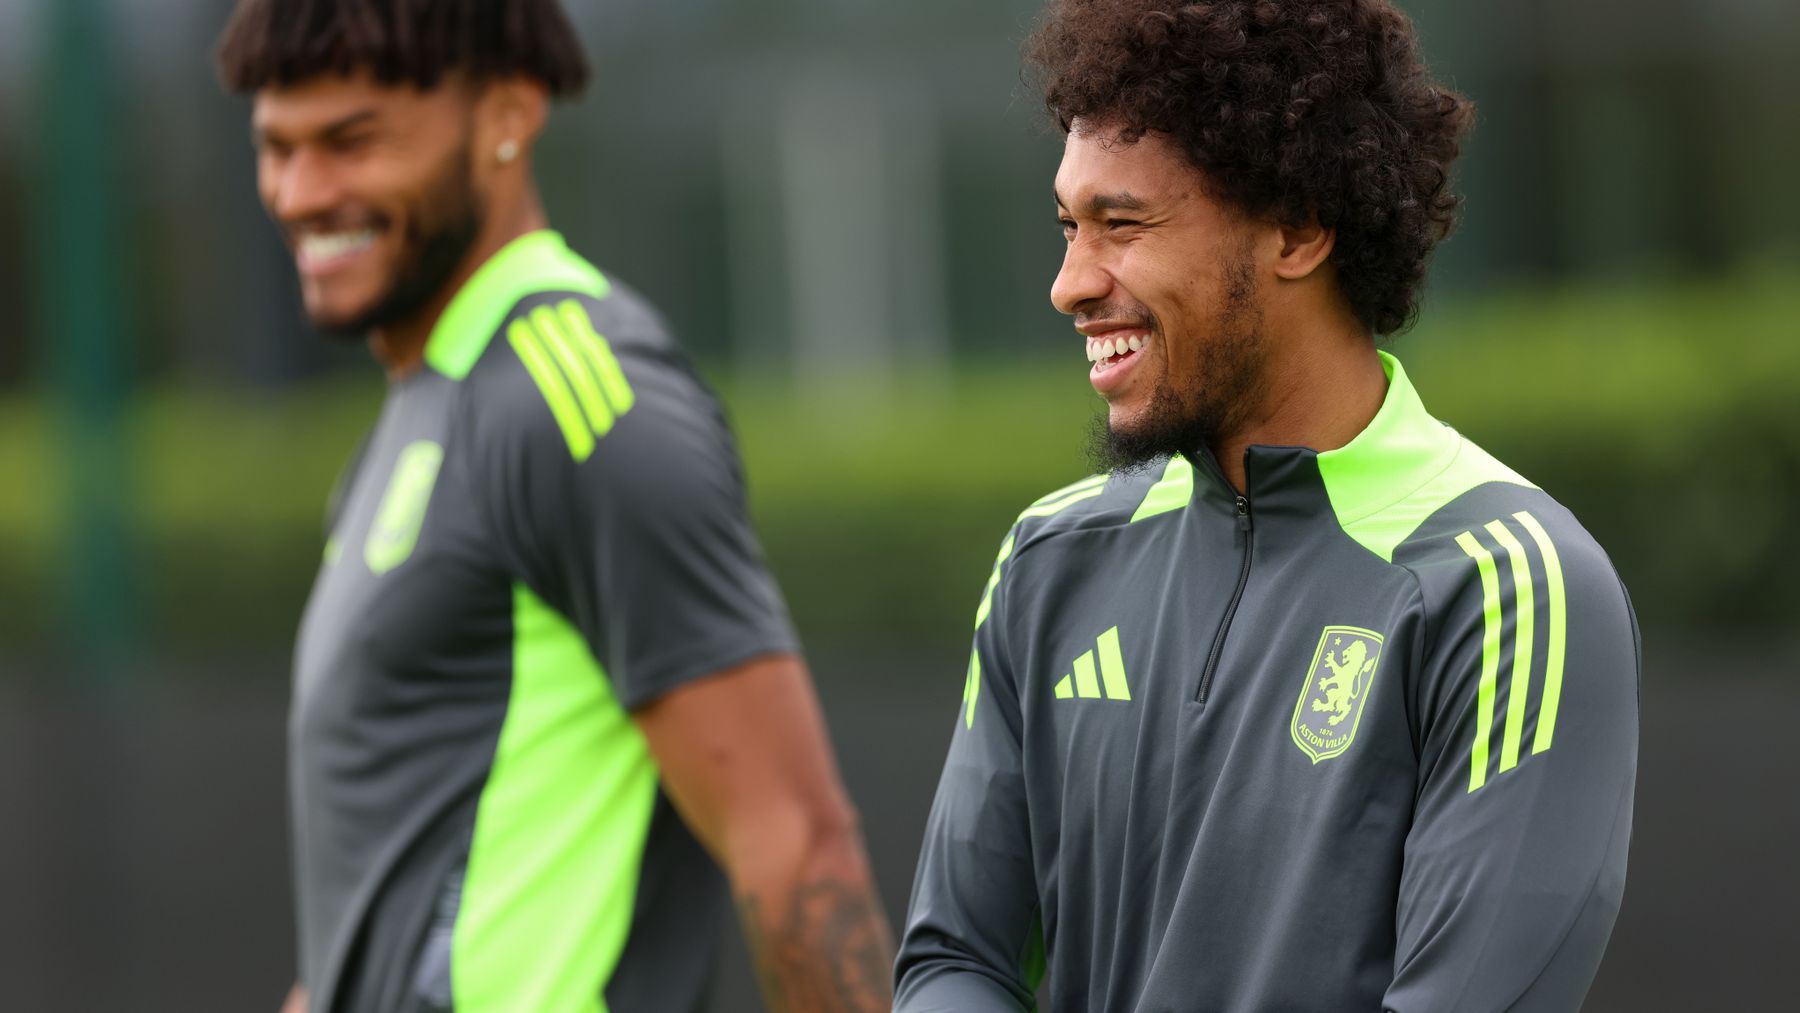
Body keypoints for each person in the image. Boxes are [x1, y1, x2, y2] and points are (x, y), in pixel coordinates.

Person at [895, 1, 1639, 1010]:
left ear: (1297, 229)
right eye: (1070, 226)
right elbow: (954, 962)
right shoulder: (1050, 557)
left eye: (1123, 224)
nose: (1072, 283)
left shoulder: (1507, 583)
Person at [213, 2, 894, 1010]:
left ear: (508, 113)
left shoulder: (577, 397)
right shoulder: (426, 412)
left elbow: (795, 844)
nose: (305, 191)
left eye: (353, 140)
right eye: (278, 148)